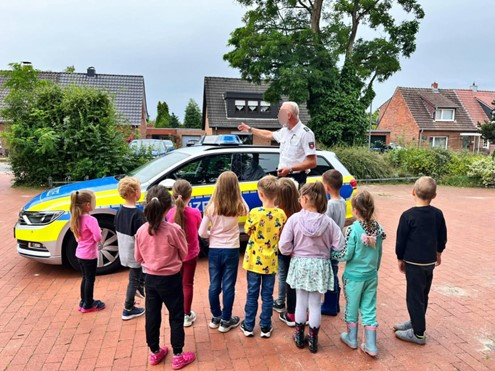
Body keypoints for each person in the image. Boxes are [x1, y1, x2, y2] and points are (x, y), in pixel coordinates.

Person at [135, 186, 196, 368]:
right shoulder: (174, 229)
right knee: (176, 316)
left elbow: (138, 257)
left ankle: (154, 352)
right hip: (171, 279)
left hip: (150, 280)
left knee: (152, 316)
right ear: (168, 207)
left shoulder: (141, 231)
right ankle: (178, 354)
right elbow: (184, 253)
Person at [279, 182, 344, 353]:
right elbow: (340, 244)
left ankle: (299, 337)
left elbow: (283, 245)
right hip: (320, 265)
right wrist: (327, 250)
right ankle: (314, 340)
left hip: (300, 263)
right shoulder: (328, 222)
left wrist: (291, 251)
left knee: (301, 302)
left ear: (306, 198)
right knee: (315, 303)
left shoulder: (294, 219)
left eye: (300, 197)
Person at [394, 176, 447, 345]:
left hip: (413, 262)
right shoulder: (437, 214)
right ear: (434, 195)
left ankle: (418, 333)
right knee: (422, 295)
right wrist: (439, 252)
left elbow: (400, 240)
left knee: (414, 297)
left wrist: (399, 257)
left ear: (413, 192)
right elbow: (442, 236)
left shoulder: (408, 216)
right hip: (429, 262)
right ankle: (416, 321)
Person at [332, 190, 385, 357]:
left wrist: (332, 254)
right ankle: (371, 345)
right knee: (369, 307)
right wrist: (375, 269)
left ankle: (352, 338)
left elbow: (346, 254)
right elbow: (379, 253)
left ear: (355, 209)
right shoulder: (378, 228)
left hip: (354, 277)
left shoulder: (352, 229)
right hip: (371, 275)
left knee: (352, 307)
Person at [199, 171, 249, 333]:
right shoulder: (239, 205)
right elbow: (247, 211)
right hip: (232, 250)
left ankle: (216, 317)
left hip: (215, 249)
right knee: (229, 285)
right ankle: (226, 320)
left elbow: (201, 232)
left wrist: (211, 235)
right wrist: (238, 195)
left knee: (214, 284)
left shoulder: (212, 207)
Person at [240, 175, 287, 338]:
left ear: (260, 194)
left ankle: (248, 325)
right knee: (267, 295)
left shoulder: (255, 213)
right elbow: (282, 232)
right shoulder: (281, 214)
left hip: (254, 261)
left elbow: (247, 230)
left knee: (252, 293)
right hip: (271, 261)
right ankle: (266, 327)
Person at [237, 101, 317, 185]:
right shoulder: (285, 131)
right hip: (282, 178)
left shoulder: (305, 133)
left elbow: (312, 162)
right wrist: (250, 129)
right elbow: (269, 134)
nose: (278, 116)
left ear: (289, 115)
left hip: (296, 179)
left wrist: (290, 169)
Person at [166, 179, 202, 328]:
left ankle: (177, 312)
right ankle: (186, 314)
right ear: (190, 195)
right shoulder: (194, 212)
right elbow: (199, 227)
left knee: (176, 284)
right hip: (191, 254)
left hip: (175, 255)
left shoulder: (169, 213)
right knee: (188, 284)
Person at [114, 177, 146, 321]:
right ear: (134, 193)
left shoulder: (119, 211)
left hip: (124, 250)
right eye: (139, 189)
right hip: (135, 253)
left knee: (135, 276)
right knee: (133, 279)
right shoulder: (138, 215)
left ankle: (139, 288)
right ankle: (128, 308)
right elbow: (142, 236)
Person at [69, 190, 105, 313]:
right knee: (90, 279)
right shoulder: (91, 220)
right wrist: (98, 233)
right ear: (87, 205)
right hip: (90, 255)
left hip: (80, 254)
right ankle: (88, 304)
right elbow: (98, 237)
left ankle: (83, 301)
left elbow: (77, 238)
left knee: (85, 278)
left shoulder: (75, 219)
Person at [273, 177, 301, 327]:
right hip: (297, 249)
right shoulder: (300, 208)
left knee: (283, 274)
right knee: (293, 276)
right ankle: (298, 303)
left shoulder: (279, 211)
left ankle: (280, 301)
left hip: (283, 248)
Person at [321, 170, 347, 316]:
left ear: (327, 187)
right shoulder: (342, 201)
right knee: (334, 272)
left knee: (330, 274)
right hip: (338, 243)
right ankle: (334, 303)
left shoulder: (330, 205)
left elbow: (325, 225)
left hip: (330, 245)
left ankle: (330, 304)